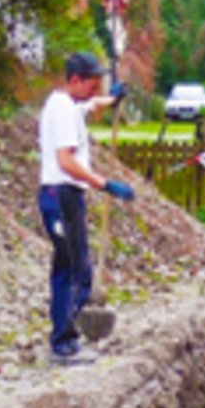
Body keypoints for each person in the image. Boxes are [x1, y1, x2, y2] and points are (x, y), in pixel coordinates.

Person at [38, 52, 135, 365]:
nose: (95, 89)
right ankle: (63, 345)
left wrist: (112, 98)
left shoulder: (66, 104)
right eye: (92, 83)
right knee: (74, 272)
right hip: (61, 195)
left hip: (62, 196)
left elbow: (91, 106)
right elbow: (66, 161)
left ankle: (66, 337)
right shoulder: (63, 111)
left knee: (72, 268)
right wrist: (104, 184)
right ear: (75, 80)